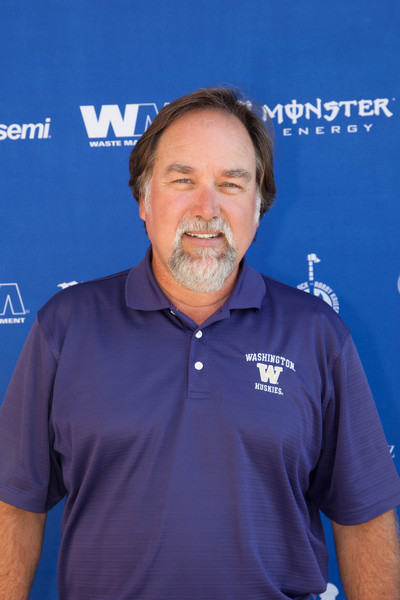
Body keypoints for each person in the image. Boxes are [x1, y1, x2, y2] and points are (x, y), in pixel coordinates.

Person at [0, 87, 399, 600]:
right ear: (144, 200)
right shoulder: (66, 326)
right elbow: (14, 503)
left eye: (231, 184)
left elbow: (363, 516)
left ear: (258, 207)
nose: (206, 208)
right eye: (183, 180)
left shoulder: (317, 334)